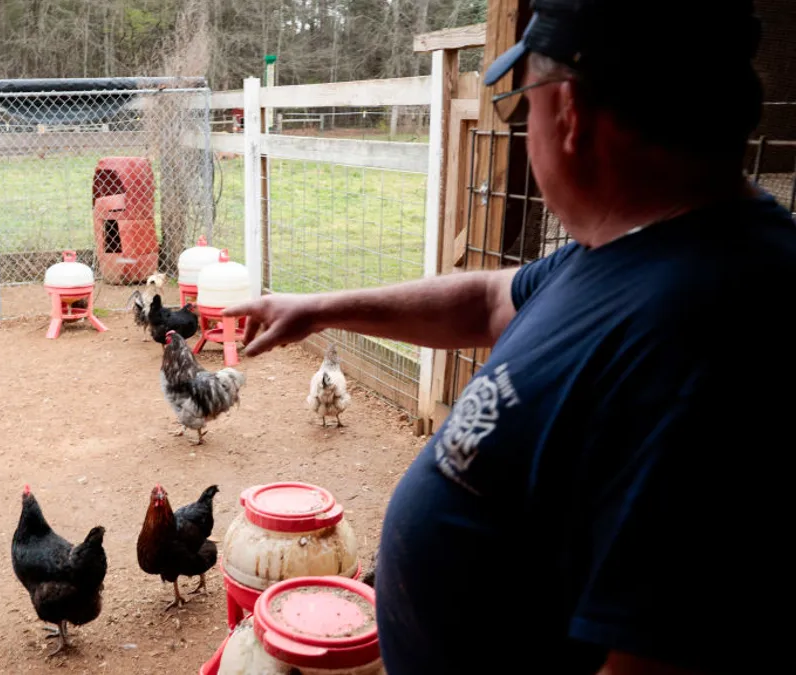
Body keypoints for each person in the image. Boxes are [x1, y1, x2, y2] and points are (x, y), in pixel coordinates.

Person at [223, 0, 796, 672]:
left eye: (526, 101)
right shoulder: (633, 248)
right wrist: (320, 308)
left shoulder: (708, 332)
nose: (526, 126)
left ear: (572, 112)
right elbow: (492, 298)